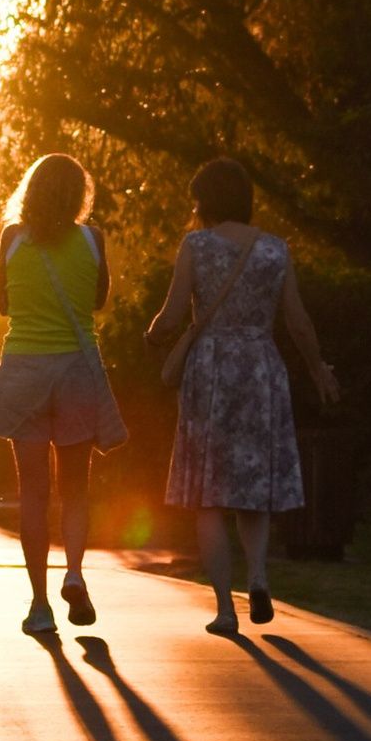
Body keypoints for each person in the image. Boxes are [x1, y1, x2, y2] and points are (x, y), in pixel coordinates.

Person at [146, 154, 339, 636]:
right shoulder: (275, 250)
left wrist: (153, 335)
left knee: (208, 496)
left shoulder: (196, 246)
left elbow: (171, 318)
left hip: (211, 369)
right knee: (252, 490)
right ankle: (257, 577)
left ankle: (225, 610)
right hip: (260, 369)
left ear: (204, 201)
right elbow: (297, 318)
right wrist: (318, 369)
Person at [0, 152, 124, 640]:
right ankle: (74, 574)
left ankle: (40, 604)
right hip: (76, 371)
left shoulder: (12, 238)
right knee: (75, 487)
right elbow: (98, 300)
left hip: (24, 368)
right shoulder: (93, 239)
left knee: (32, 491)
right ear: (79, 196)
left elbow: (2, 304)